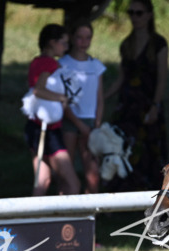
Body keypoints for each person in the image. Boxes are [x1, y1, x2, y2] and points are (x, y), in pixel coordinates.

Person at [106, 0, 168, 191]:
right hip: (127, 106)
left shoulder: (158, 44)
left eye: (139, 13)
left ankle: (150, 194)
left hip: (148, 105)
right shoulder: (127, 44)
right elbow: (121, 79)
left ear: (149, 15)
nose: (134, 17)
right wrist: (102, 97)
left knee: (149, 150)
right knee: (122, 148)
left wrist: (155, 106)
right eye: (131, 13)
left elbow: (161, 79)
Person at [26, 24, 81, 196]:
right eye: (63, 43)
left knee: (42, 182)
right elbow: (38, 89)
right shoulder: (49, 64)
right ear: (52, 42)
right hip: (47, 132)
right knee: (73, 184)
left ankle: (32, 221)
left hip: (35, 128)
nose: (66, 47)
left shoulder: (36, 61)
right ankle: (67, 223)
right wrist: (61, 98)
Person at [59, 21, 106, 194]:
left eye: (88, 38)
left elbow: (99, 98)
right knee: (66, 170)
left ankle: (91, 213)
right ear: (72, 38)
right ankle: (65, 210)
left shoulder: (96, 66)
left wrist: (97, 124)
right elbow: (61, 98)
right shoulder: (62, 64)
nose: (84, 42)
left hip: (90, 122)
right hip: (69, 120)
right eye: (79, 37)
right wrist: (79, 124)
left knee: (93, 171)